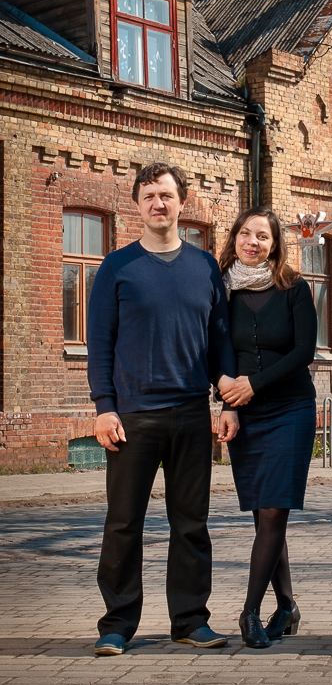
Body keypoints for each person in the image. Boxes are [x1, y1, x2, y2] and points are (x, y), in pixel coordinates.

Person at [87, 162, 238, 657]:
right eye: (149, 195)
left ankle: (190, 621)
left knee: (191, 523)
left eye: (167, 195)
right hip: (132, 416)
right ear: (138, 204)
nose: (158, 203)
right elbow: (100, 343)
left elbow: (219, 342)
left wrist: (226, 402)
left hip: (192, 413)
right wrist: (104, 407)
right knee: (123, 523)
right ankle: (116, 624)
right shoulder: (117, 266)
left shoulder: (204, 267)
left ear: (181, 202)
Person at [216, 207, 318, 648]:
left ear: (275, 243)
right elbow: (216, 351)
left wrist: (253, 385)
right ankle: (289, 607)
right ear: (234, 238)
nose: (252, 241)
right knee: (264, 513)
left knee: (275, 509)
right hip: (245, 414)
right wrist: (228, 402)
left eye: (262, 235)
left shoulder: (294, 288)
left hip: (291, 409)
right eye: (245, 233)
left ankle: (250, 611)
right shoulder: (221, 290)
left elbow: (304, 352)